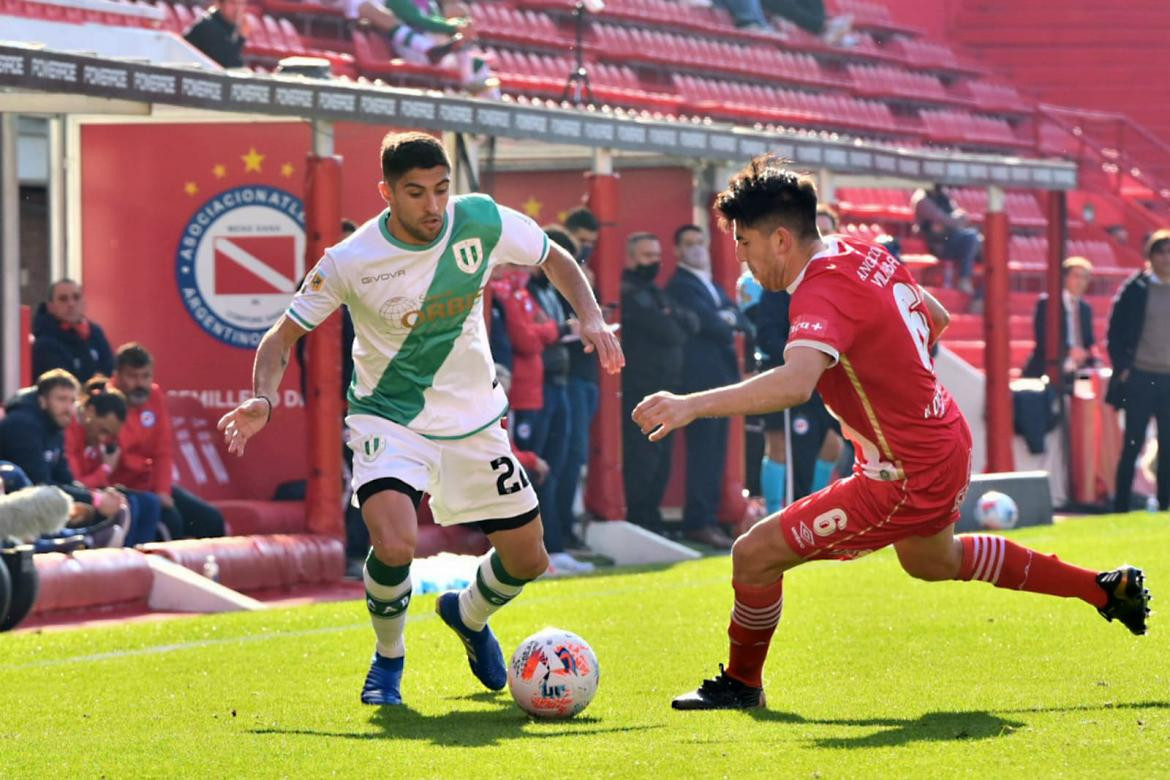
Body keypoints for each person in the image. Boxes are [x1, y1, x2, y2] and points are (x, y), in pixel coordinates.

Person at [631, 156, 1150, 710]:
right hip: (942, 437)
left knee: (753, 554)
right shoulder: (862, 251)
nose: (740, 256)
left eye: (744, 242)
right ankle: (1101, 588)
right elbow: (937, 317)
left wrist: (690, 404)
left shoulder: (820, 290)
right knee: (933, 562)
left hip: (901, 472)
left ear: (781, 239)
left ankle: (741, 684)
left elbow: (795, 383)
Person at [216, 132, 622, 706]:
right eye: (415, 193)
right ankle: (389, 661)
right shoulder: (351, 259)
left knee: (529, 559)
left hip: (475, 422)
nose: (433, 206)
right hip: (389, 420)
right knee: (395, 541)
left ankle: (467, 613)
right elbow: (281, 337)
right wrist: (262, 397)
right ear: (385, 192)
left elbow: (554, 257)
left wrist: (592, 319)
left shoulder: (480, 220)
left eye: (440, 189)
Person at [667, 224, 749, 549]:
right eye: (689, 243)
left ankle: (709, 518)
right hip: (699, 380)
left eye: (700, 242)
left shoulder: (711, 282)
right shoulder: (681, 284)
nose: (697, 248)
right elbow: (711, 324)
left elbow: (738, 319)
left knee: (716, 453)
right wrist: (725, 319)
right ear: (677, 250)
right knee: (703, 453)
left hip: (721, 379)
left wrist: (726, 318)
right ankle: (698, 521)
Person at [620, 232, 699, 533]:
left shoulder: (655, 291)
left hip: (667, 387)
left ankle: (652, 517)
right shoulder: (629, 291)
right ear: (630, 258)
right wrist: (672, 319)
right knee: (643, 457)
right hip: (641, 388)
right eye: (646, 256)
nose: (653, 262)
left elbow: (691, 322)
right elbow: (669, 331)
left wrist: (672, 317)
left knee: (662, 458)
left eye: (656, 256)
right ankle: (640, 518)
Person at [109, 344, 225, 540]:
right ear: (117, 376)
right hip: (121, 488)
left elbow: (163, 449)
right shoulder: (106, 401)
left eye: (145, 376)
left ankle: (207, 570)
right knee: (172, 521)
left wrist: (163, 491)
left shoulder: (154, 395)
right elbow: (119, 456)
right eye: (132, 376)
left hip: (151, 485)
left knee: (211, 520)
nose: (140, 383)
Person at [0, 369, 125, 526]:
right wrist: (95, 500)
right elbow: (37, 485)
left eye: (72, 401)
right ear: (42, 401)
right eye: (61, 399)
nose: (68, 408)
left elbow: (65, 479)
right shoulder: (22, 425)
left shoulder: (56, 426)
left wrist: (94, 495)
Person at [1108, 229, 1170, 512]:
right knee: (1132, 443)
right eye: (1161, 251)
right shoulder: (1135, 289)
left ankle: (1166, 504)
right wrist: (1123, 369)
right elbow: (1115, 332)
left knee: (1168, 446)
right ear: (1150, 256)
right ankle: (1121, 506)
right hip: (1141, 377)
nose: (1167, 257)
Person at [63, 379, 161, 546]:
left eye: (109, 435)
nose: (103, 439)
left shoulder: (101, 442)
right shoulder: (68, 430)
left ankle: (140, 561)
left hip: (91, 491)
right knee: (127, 506)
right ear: (90, 412)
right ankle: (120, 560)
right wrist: (106, 469)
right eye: (102, 431)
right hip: (73, 494)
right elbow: (75, 482)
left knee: (150, 502)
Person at [342, 0, 499, 96]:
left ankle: (488, 103)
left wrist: (458, 27)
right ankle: (468, 81)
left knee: (478, 64)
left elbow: (433, 19)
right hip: (414, 49)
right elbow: (417, 20)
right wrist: (454, 27)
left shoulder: (429, 2)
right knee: (458, 36)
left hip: (439, 51)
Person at [1022, 256, 1098, 379]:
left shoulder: (1085, 309)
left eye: (1084, 277)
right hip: (1047, 369)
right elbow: (1043, 338)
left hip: (1077, 371)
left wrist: (1087, 355)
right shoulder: (1048, 303)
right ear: (1065, 278)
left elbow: (1088, 341)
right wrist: (1069, 351)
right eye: (1076, 276)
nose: (1080, 281)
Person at [32, 279, 114, 384]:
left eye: (76, 297)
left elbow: (110, 370)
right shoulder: (44, 343)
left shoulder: (96, 333)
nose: (71, 304)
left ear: (84, 302)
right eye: (63, 299)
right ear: (50, 307)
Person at [911, 183, 982, 295]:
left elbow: (961, 217)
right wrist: (952, 220)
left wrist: (952, 220)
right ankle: (964, 278)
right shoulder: (922, 200)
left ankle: (978, 297)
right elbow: (949, 220)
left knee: (988, 250)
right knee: (971, 238)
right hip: (938, 246)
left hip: (953, 240)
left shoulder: (943, 196)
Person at [183, 0, 248, 69]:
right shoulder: (209, 26)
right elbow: (231, 65)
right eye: (232, 3)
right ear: (219, 3)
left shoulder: (227, 26)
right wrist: (241, 38)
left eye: (242, 4)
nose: (238, 9)